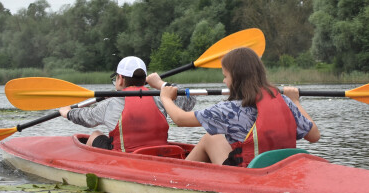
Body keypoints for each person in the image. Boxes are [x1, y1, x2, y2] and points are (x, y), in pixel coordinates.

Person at [158, 47, 320, 166]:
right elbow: (314, 136)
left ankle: (179, 177)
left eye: (225, 76)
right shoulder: (284, 101)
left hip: (248, 175)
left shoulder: (230, 110)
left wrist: (165, 97)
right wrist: (296, 101)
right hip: (280, 169)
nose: (224, 82)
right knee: (214, 137)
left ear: (236, 78)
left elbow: (180, 119)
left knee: (209, 138)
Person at [59, 56, 196, 152]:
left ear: (120, 79)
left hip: (127, 160)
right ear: (144, 80)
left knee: (95, 134)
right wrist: (161, 84)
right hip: (157, 155)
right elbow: (190, 100)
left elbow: (87, 118)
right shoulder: (160, 98)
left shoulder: (110, 104)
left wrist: (68, 112)